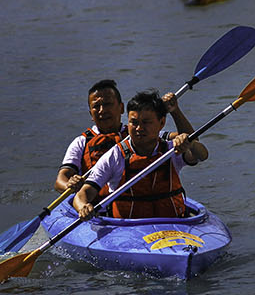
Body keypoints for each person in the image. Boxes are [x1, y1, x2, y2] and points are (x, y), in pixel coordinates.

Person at [72, 89, 207, 219]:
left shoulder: (172, 150)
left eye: (146, 122)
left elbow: (201, 155)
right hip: (128, 229)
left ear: (161, 123)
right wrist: (83, 207)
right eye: (133, 122)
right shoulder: (114, 156)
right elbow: (83, 194)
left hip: (172, 226)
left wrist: (191, 143)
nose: (139, 129)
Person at [55, 79, 126, 194]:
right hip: (91, 205)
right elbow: (60, 180)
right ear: (91, 115)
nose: (102, 110)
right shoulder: (81, 142)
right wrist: (69, 184)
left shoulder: (137, 134)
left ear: (121, 108)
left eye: (108, 104)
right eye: (96, 106)